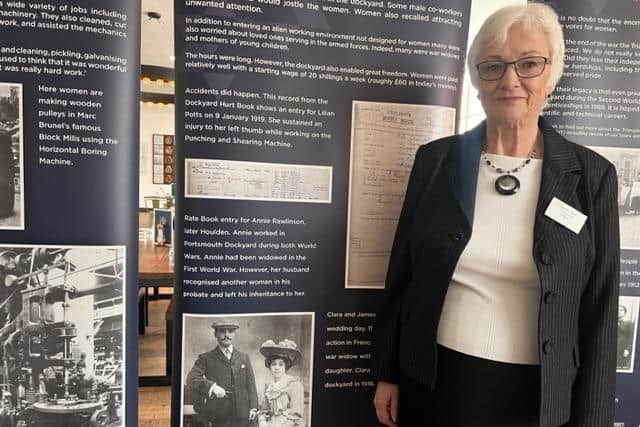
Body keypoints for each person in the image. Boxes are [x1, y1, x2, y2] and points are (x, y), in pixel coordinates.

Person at [373, 4, 619, 427]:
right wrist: (387, 373)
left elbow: (600, 309)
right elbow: (403, 276)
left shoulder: (592, 177)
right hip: (434, 383)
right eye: (493, 66)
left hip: (537, 398)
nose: (510, 80)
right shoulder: (435, 161)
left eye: (529, 64)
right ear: (476, 79)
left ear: (552, 74)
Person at [186, 319, 259, 427]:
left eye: (230, 331)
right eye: (222, 331)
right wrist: (212, 387)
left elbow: (251, 385)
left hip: (243, 415)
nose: (226, 335)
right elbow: (192, 378)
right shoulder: (205, 358)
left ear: (234, 334)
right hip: (218, 416)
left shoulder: (244, 358)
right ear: (215, 334)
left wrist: (253, 407)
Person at [257, 339, 305, 427]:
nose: (277, 368)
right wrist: (262, 421)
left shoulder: (294, 384)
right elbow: (265, 411)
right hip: (272, 423)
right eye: (273, 364)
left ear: (286, 366)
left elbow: (295, 415)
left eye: (281, 364)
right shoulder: (269, 387)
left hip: (290, 424)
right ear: (269, 367)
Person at [617, 305, 634, 370]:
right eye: (618, 310)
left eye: (621, 310)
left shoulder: (629, 323)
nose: (619, 311)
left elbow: (631, 337)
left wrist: (627, 349)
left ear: (625, 312)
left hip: (623, 348)